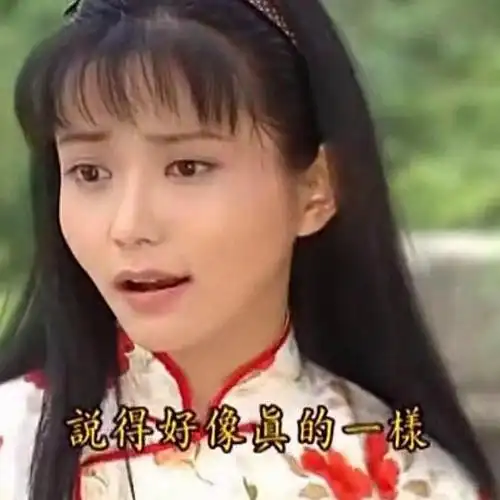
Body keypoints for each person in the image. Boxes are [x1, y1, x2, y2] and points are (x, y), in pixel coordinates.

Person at [0, 0, 495, 498]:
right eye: (89, 173)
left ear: (315, 188)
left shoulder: (410, 482)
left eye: (188, 167)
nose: (129, 226)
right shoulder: (13, 445)